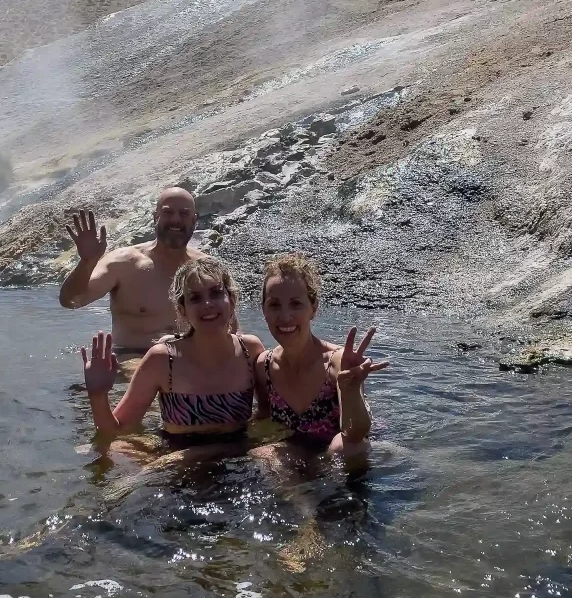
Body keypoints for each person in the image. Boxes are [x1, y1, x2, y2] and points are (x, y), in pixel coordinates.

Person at [80, 257, 265, 455]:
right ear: (182, 310)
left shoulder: (250, 351)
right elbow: (116, 431)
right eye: (195, 298)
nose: (208, 304)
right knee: (116, 451)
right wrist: (97, 393)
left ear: (232, 299)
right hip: (178, 465)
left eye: (216, 293)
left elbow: (269, 416)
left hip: (236, 456)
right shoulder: (162, 359)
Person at [256, 253, 388, 460]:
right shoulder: (263, 366)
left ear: (313, 308)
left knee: (344, 448)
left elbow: (355, 434)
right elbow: (263, 420)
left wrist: (350, 391)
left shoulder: (338, 362)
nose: (285, 316)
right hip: (299, 455)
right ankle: (298, 494)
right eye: (274, 305)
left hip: (345, 460)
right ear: (263, 310)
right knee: (264, 454)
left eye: (296, 304)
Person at [59, 187, 205, 362]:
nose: (175, 219)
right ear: (155, 217)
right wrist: (86, 263)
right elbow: (72, 301)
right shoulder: (123, 263)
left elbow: (231, 328)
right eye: (168, 212)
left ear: (194, 219)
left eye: (184, 213)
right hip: (132, 364)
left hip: (190, 364)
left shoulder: (205, 268)